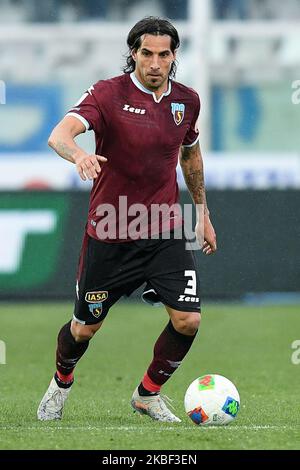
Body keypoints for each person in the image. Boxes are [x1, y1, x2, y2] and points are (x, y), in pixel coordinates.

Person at [37, 16, 217, 423]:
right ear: (133, 54)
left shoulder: (186, 101)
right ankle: (61, 382)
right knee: (83, 329)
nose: (155, 63)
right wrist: (80, 154)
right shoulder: (107, 94)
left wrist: (202, 212)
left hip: (165, 226)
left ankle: (147, 395)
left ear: (174, 57)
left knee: (188, 319)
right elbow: (59, 135)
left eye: (164, 54)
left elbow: (190, 155)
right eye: (147, 53)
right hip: (112, 229)